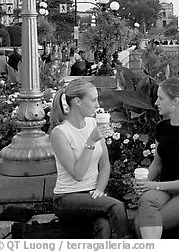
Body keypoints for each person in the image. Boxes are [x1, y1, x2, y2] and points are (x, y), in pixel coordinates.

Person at [49, 79, 130, 238]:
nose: (98, 105)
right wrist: (91, 142)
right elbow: (77, 174)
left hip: (91, 195)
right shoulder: (60, 133)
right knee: (116, 206)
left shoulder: (94, 123)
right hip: (67, 197)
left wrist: (99, 190)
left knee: (103, 225)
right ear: (78, 101)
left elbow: (105, 165)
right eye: (93, 100)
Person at [133, 77, 179, 239]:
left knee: (143, 224)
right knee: (146, 201)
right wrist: (144, 182)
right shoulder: (162, 127)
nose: (156, 102)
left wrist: (156, 186)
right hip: (166, 190)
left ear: (175, 101)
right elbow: (156, 164)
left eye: (160, 98)